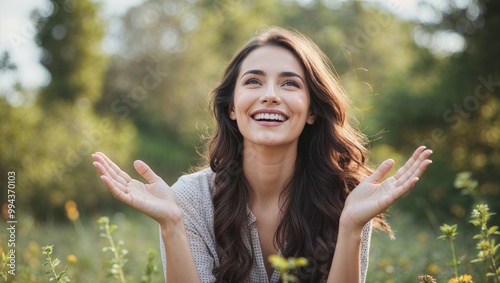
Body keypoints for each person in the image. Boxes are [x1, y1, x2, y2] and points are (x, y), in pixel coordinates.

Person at [92, 27, 433, 283]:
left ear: (312, 110)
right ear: (231, 109)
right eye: (254, 82)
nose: (270, 95)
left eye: (290, 84)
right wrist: (171, 225)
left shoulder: (347, 200)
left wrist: (351, 227)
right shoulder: (188, 200)